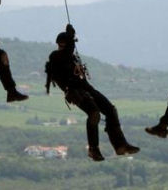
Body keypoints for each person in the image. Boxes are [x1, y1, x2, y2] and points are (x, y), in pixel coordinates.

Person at [45, 25, 139, 161]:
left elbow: (72, 60)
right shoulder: (55, 57)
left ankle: (120, 146)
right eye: (68, 43)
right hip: (75, 92)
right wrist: (71, 37)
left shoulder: (71, 57)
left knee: (110, 110)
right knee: (94, 114)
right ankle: (93, 150)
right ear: (62, 44)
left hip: (86, 88)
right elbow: (66, 54)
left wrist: (71, 38)